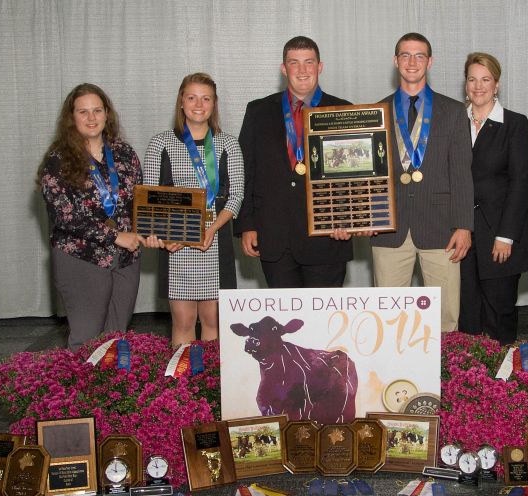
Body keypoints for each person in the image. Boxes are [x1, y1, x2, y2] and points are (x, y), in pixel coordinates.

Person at [371, 32, 474, 333]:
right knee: (388, 320)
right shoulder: (375, 111)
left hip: (442, 229)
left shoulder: (454, 112)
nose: (412, 62)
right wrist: (367, 215)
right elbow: (370, 175)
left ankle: (448, 378)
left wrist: (464, 226)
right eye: (405, 55)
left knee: (445, 318)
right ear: (395, 61)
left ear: (430, 62)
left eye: (419, 56)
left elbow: (461, 172)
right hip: (388, 228)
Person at [236, 36, 353, 288]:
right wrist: (247, 225)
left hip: (328, 237)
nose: (302, 70)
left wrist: (348, 219)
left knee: (325, 322)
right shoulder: (258, 111)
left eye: (308, 62)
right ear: (283, 68)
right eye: (294, 63)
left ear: (319, 67)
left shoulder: (343, 110)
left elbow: (354, 175)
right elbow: (246, 171)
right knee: (284, 324)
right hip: (274, 237)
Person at [38, 83, 145, 351]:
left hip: (125, 258)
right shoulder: (57, 160)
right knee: (86, 338)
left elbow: (139, 203)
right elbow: (65, 216)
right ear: (71, 117)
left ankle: (110, 392)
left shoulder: (124, 154)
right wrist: (115, 235)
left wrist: (153, 231)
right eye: (83, 112)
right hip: (81, 257)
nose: (91, 118)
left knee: (116, 338)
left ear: (107, 114)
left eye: (97, 110)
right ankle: (77, 392)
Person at [143, 73, 244, 345]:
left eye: (206, 98)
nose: (199, 104)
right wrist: (164, 236)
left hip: (215, 238)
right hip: (176, 244)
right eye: (192, 97)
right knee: (184, 322)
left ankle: (210, 386)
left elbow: (236, 196)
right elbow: (149, 199)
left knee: (214, 321)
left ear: (214, 103)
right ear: (181, 102)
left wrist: (211, 229)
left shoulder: (229, 144)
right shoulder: (160, 143)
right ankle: (183, 387)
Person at [458, 52, 528, 345]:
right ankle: (470, 381)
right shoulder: (454, 120)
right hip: (463, 233)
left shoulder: (515, 123)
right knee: (467, 314)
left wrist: (506, 236)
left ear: (497, 84)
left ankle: (501, 385)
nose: (478, 86)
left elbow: (521, 182)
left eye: (485, 79)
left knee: (499, 312)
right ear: (465, 83)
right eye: (472, 79)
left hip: (500, 236)